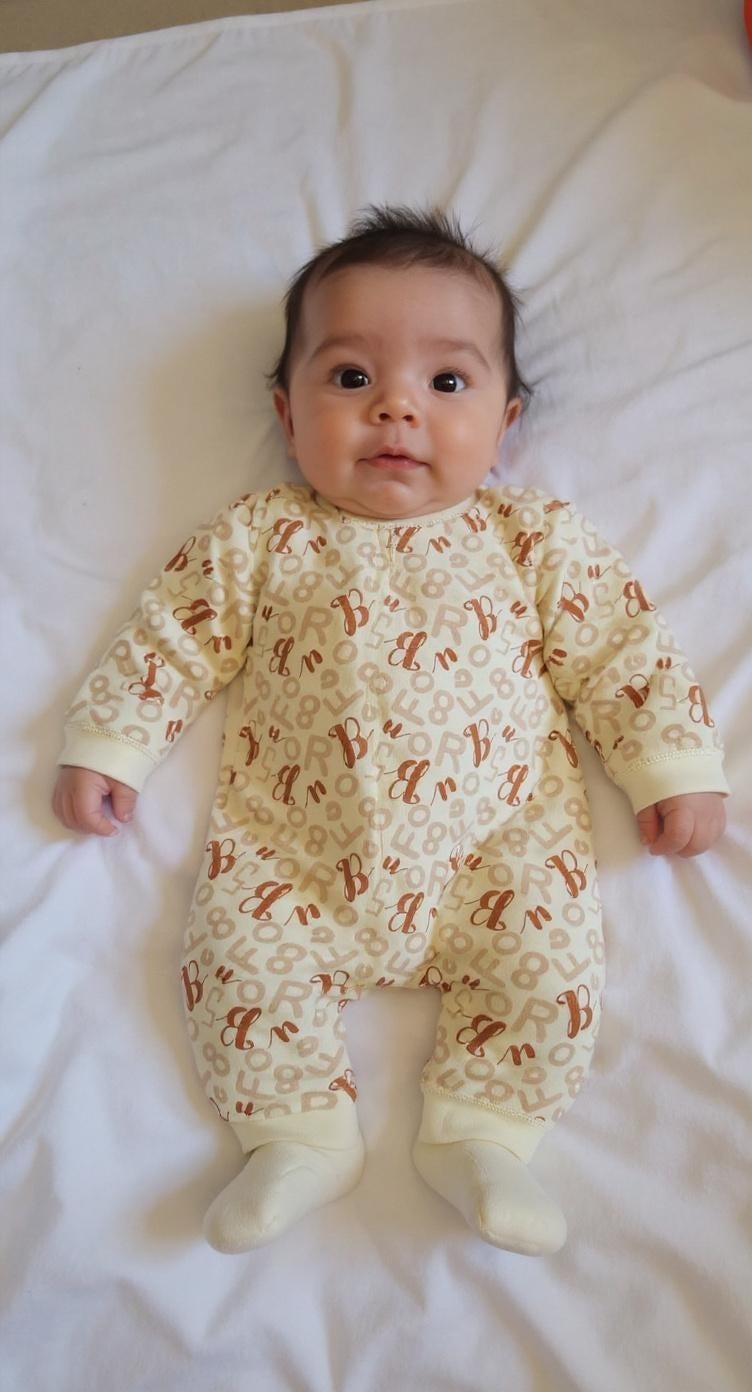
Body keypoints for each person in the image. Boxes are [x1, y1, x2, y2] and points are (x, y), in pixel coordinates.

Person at [52, 205, 729, 1257]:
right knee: (232, 951)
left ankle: (482, 1135)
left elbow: (616, 652)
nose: (396, 412)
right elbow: (172, 642)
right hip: (293, 856)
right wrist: (111, 746)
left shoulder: (529, 538)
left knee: (548, 965)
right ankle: (294, 1135)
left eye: (446, 383)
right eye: (351, 379)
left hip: (497, 854)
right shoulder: (265, 536)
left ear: (505, 421)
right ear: (286, 412)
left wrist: (666, 768)